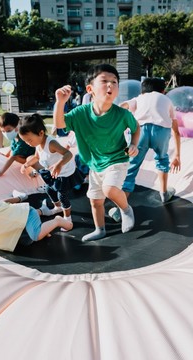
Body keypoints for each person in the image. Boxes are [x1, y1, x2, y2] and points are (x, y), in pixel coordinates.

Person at [54, 63, 140, 242]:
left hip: (117, 158)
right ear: (90, 88)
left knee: (109, 189)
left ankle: (125, 209)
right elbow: (60, 124)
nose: (110, 85)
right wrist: (60, 102)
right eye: (105, 81)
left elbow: (136, 127)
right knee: (95, 200)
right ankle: (100, 229)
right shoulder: (81, 113)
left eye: (114, 82)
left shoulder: (121, 114)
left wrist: (134, 144)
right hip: (95, 164)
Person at [120, 77, 181, 203]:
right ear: (163, 91)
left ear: (143, 91)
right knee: (162, 159)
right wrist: (177, 156)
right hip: (161, 132)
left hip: (140, 131)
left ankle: (120, 206)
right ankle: (164, 193)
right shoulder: (167, 100)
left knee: (132, 166)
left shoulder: (139, 98)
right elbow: (176, 131)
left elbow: (122, 106)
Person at [17, 114, 84, 229]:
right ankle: (57, 207)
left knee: (61, 195)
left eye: (29, 140)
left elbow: (68, 154)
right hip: (53, 172)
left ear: (41, 133)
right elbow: (36, 157)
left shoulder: (51, 143)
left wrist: (59, 164)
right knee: (49, 189)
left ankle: (67, 219)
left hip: (63, 173)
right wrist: (26, 164)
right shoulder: (38, 144)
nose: (28, 143)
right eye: (26, 141)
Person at [0, 112, 36, 177]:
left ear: (17, 127)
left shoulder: (22, 140)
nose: (6, 133)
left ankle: (35, 171)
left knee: (23, 158)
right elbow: (12, 147)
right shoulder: (15, 137)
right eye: (3, 131)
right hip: (24, 157)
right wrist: (6, 155)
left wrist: (0, 172)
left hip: (32, 159)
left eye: (9, 131)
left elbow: (13, 157)